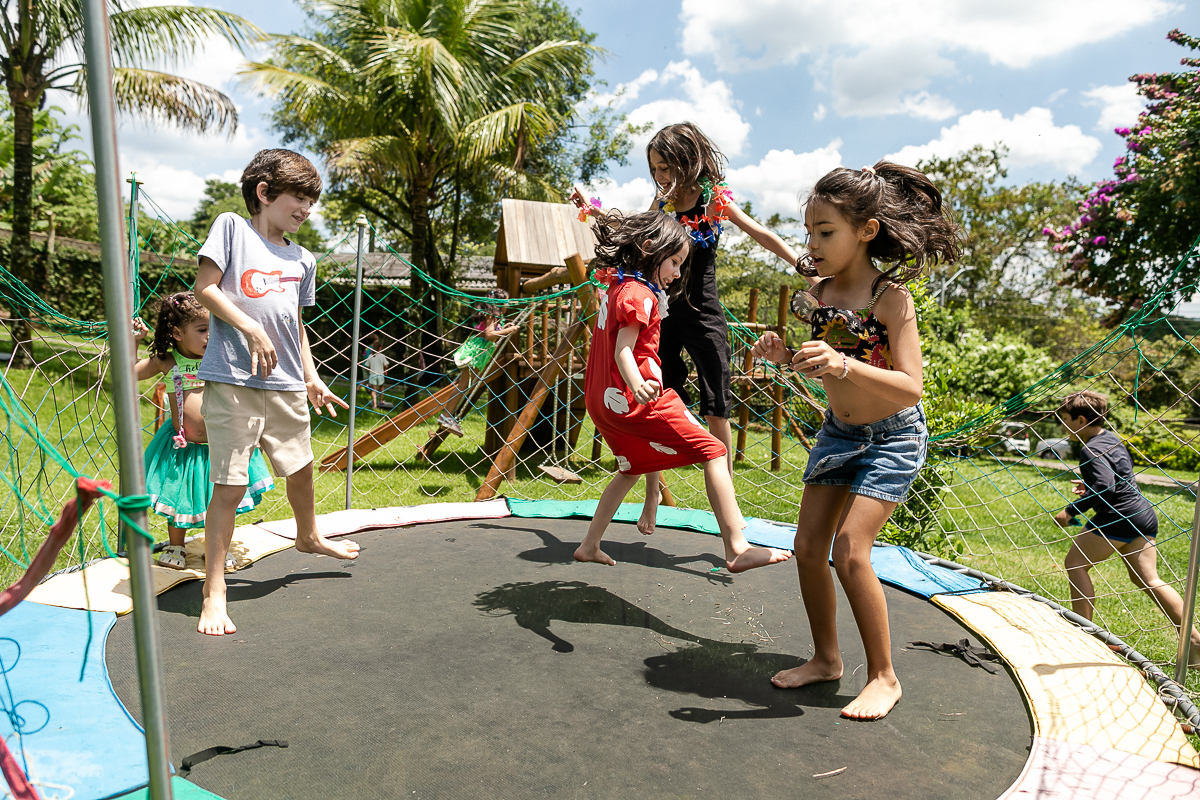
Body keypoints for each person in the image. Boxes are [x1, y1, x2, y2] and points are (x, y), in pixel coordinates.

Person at [751, 161, 960, 719]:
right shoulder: (817, 293)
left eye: (826, 233)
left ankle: (885, 677)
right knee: (807, 548)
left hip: (892, 438)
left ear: (865, 231)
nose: (813, 244)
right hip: (839, 433)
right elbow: (827, 366)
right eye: (809, 233)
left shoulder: (889, 298)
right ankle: (825, 659)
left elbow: (910, 387)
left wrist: (839, 363)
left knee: (849, 551)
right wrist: (789, 358)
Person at [194, 148, 360, 636]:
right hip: (233, 381)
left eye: (312, 200)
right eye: (299, 198)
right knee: (231, 486)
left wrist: (311, 375)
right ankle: (214, 590)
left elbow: (296, 325)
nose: (306, 209)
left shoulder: (302, 258)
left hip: (287, 383)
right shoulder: (231, 228)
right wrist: (249, 328)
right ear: (264, 193)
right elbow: (206, 287)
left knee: (302, 470)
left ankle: (308, 535)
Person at [574, 209, 792, 573]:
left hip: (602, 400)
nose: (677, 273)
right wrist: (636, 382)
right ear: (649, 248)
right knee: (715, 449)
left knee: (629, 469)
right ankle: (737, 547)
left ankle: (589, 544)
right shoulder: (640, 294)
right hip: (633, 397)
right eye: (674, 262)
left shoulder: (617, 287)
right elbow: (623, 350)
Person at [647, 122, 803, 475]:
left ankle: (726, 492)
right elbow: (642, 237)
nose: (659, 175)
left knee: (716, 406)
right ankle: (654, 490)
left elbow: (760, 233)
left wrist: (800, 263)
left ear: (686, 160)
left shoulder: (713, 199)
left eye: (665, 167)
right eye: (655, 168)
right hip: (665, 314)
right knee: (655, 392)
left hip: (703, 314)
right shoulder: (663, 204)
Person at [1053, 390, 1200, 666]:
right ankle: (1194, 640)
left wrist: (1070, 511)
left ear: (1080, 419)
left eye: (1065, 420)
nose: (1063, 426)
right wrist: (1090, 487)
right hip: (1142, 514)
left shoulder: (1089, 448)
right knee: (1148, 578)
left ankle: (1083, 636)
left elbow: (1106, 487)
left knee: (1075, 564)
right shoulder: (1109, 438)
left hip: (1117, 517)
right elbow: (1117, 478)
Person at [133, 292, 274, 570]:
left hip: (221, 443)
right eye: (202, 330)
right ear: (176, 332)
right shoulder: (167, 361)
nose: (211, 336)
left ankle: (216, 549)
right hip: (182, 446)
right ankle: (176, 545)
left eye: (215, 329)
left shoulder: (221, 358)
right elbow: (127, 373)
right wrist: (134, 341)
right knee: (179, 495)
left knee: (219, 499)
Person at [438, 289, 519, 437]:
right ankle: (446, 416)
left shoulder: (495, 317)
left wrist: (505, 328)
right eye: (506, 301)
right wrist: (509, 331)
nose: (507, 305)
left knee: (466, 386)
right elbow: (489, 336)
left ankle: (447, 416)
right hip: (477, 352)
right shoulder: (492, 316)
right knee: (464, 385)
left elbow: (491, 334)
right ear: (499, 303)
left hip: (479, 353)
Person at [363, 332, 390, 410]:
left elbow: (367, 365)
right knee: (381, 387)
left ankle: (374, 405)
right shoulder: (381, 356)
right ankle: (380, 401)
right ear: (380, 348)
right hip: (380, 375)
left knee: (373, 390)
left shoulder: (370, 356)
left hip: (372, 375)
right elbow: (386, 365)